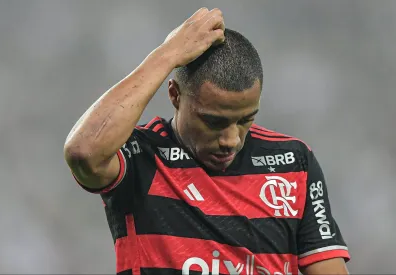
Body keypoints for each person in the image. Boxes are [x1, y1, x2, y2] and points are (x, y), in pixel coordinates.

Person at [64, 7, 350, 275]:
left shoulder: (293, 163)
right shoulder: (142, 157)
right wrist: (168, 55)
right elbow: (84, 152)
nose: (230, 139)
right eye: (214, 122)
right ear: (175, 95)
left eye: (244, 120)